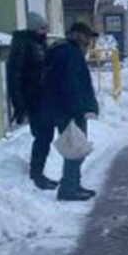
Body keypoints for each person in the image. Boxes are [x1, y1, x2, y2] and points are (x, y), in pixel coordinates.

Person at [40, 22, 100, 202]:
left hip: (62, 108)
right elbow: (72, 84)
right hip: (69, 111)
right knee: (75, 149)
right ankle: (68, 188)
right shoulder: (70, 53)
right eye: (87, 37)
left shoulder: (63, 50)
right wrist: (80, 109)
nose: (89, 41)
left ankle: (73, 184)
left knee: (75, 148)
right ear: (77, 35)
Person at [7, 12, 56, 190]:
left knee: (45, 135)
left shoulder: (39, 44)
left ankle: (38, 172)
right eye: (43, 28)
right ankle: (36, 174)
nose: (46, 32)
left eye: (46, 28)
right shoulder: (23, 45)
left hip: (42, 98)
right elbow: (14, 75)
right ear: (34, 28)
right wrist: (19, 103)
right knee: (43, 136)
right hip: (32, 98)